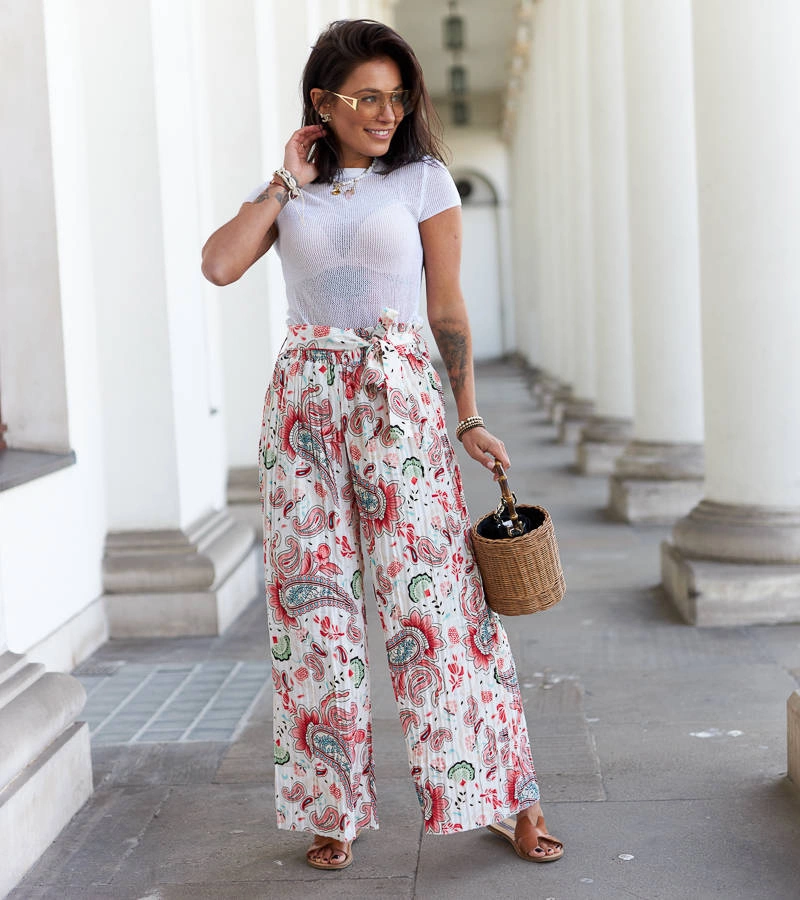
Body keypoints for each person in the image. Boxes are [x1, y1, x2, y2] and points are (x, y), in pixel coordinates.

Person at [201, 18, 563, 871]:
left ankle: (506, 794)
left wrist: (468, 417)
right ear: (322, 101)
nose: (387, 113)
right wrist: (283, 183)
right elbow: (219, 265)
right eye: (367, 97)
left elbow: (447, 308)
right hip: (303, 408)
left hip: (398, 400)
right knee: (314, 614)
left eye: (398, 97)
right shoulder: (290, 191)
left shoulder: (423, 180)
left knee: (440, 608)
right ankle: (332, 808)